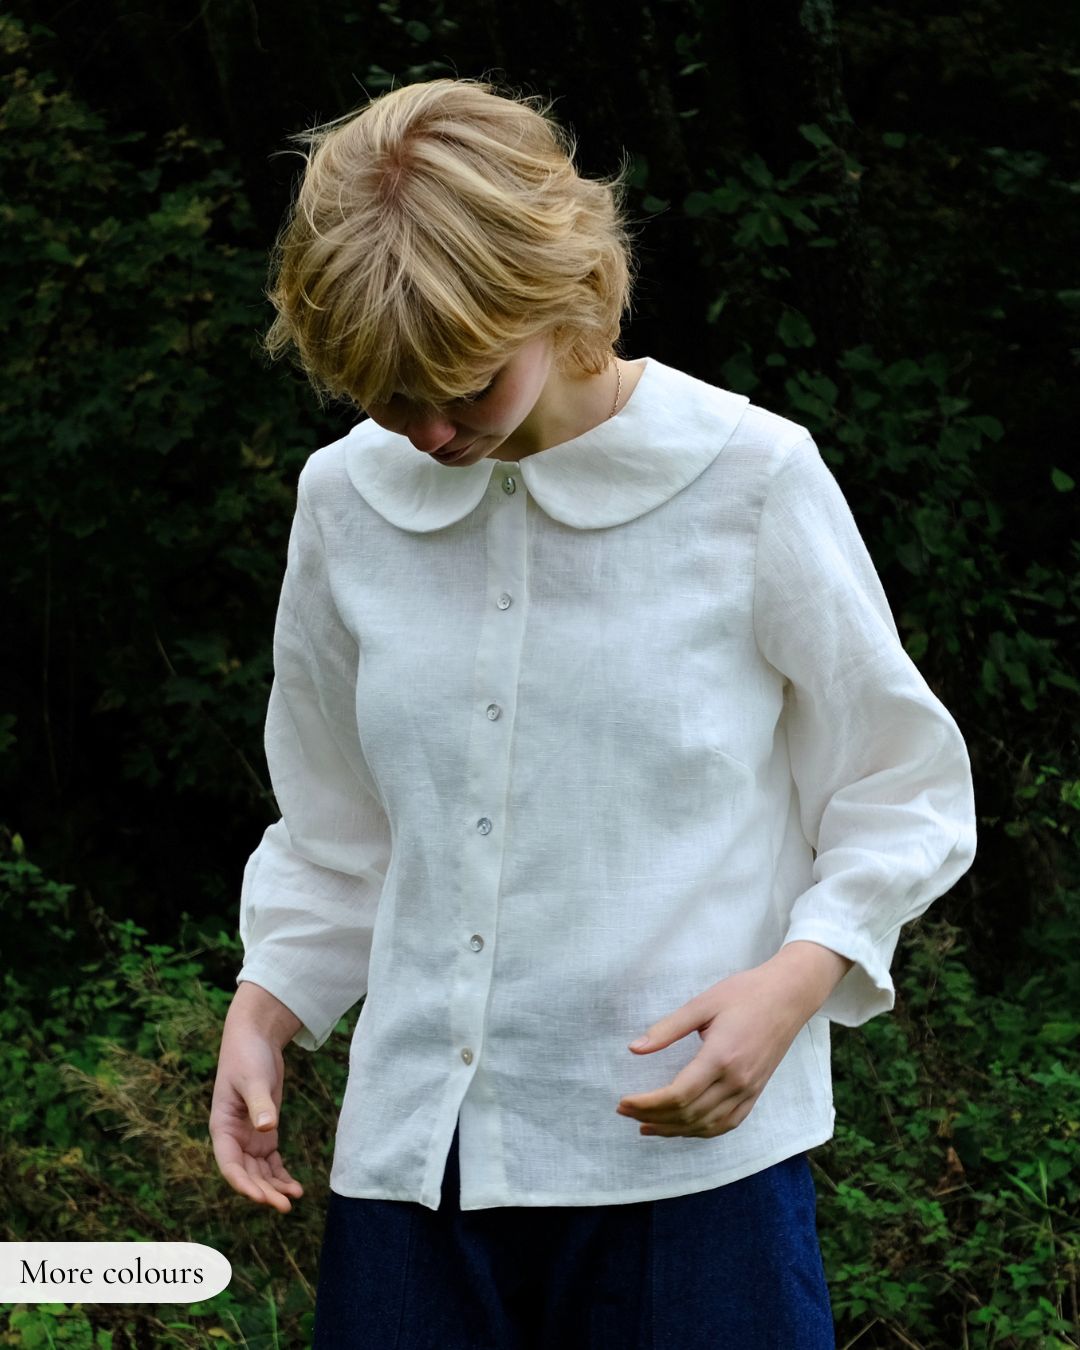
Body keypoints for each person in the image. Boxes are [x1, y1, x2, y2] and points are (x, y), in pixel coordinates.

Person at [209, 76, 977, 1348]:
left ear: (558, 296)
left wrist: (799, 978)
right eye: (390, 399)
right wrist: (268, 999)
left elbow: (899, 784)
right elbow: (335, 823)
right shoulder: (345, 502)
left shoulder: (751, 478)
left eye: (461, 383)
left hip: (690, 1177)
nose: (432, 430)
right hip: (416, 1184)